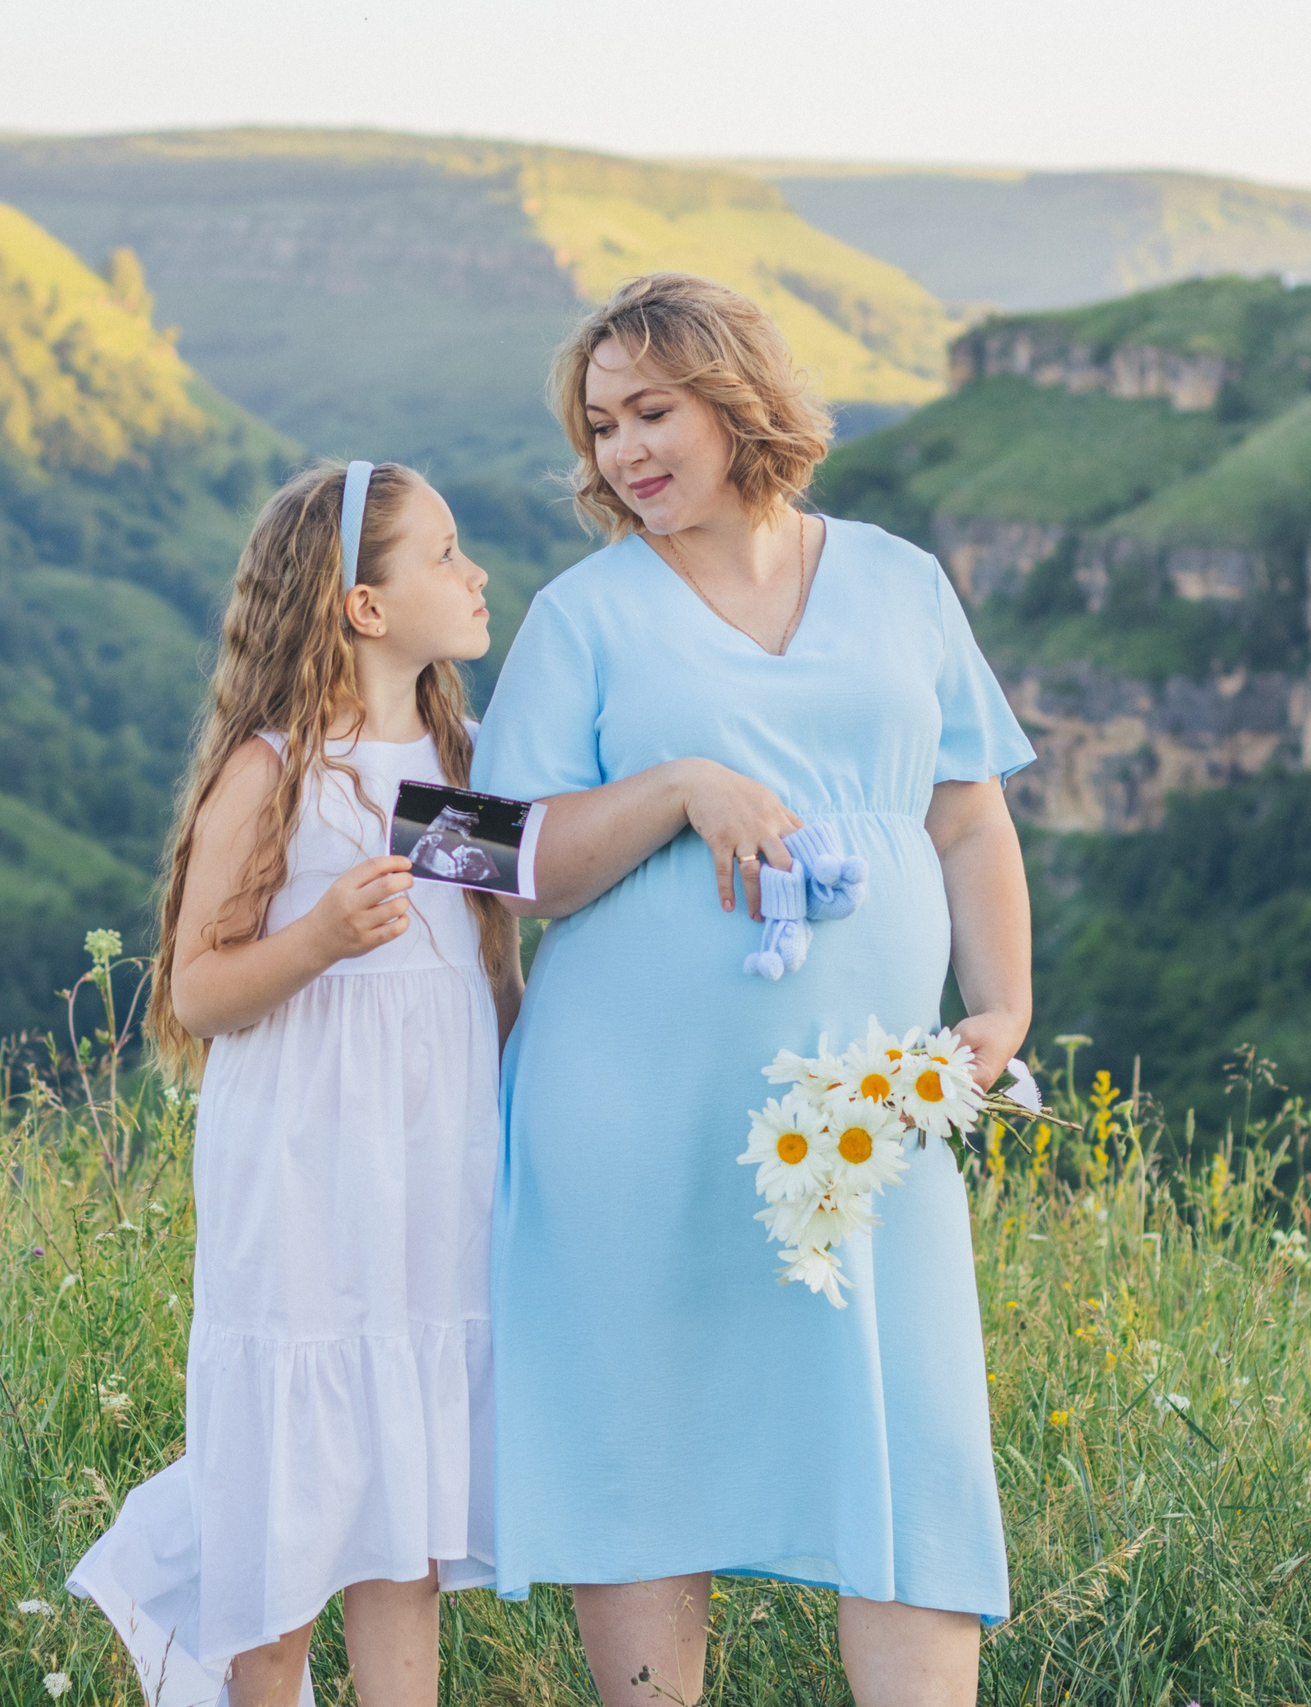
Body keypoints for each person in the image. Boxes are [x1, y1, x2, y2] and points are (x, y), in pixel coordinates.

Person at [473, 274, 1037, 1707]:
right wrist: (671, 788)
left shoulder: (901, 578)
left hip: (863, 1112)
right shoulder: (584, 611)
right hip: (629, 1106)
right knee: (646, 1433)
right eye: (601, 425)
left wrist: (1006, 1006)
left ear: (737, 399)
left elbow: (968, 815)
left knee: (903, 1425)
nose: (624, 451)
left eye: (652, 411)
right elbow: (488, 855)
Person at [69, 460, 522, 1707]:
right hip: (308, 1174)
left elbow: (507, 928)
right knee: (281, 1530)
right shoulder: (275, 767)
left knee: (403, 1530)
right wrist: (318, 936)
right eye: (442, 555)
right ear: (364, 607)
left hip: (429, 1180)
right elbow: (198, 989)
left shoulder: (459, 755)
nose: (474, 574)